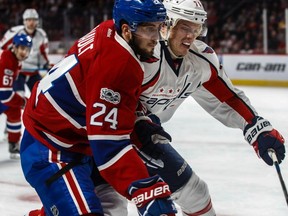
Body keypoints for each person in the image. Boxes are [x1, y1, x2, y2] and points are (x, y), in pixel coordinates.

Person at [89, 0, 286, 215]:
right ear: (166, 25)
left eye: (196, 28)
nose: (191, 35)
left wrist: (255, 126)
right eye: (185, 27)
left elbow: (228, 98)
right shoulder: (141, 55)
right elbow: (109, 96)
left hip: (142, 136)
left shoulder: (200, 61)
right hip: (108, 135)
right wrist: (140, 121)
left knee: (194, 195)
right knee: (113, 203)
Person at [20, 0, 177, 216]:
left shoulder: (108, 29)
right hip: (50, 148)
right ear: (126, 29)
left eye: (159, 27)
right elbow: (108, 145)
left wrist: (138, 118)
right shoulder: (118, 64)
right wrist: (145, 189)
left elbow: (102, 100)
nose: (156, 37)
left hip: (77, 140)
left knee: (114, 211)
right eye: (149, 28)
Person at [0, 8, 51, 97]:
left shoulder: (41, 35)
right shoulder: (15, 32)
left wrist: (46, 64)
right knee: (19, 96)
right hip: (18, 72)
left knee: (41, 97)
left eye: (34, 20)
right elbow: (2, 48)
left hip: (34, 72)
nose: (31, 23)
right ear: (24, 21)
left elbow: (43, 53)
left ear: (37, 21)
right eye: (29, 20)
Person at [0, 33, 32, 159]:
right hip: (2, 95)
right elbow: (5, 95)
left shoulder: (15, 60)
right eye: (22, 48)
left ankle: (13, 144)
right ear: (14, 47)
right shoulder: (7, 60)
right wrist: (24, 102)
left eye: (26, 49)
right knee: (13, 106)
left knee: (14, 112)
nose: (24, 52)